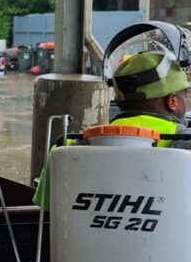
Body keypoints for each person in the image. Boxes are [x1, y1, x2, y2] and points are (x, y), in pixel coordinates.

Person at [35, 50, 190, 208]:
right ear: (172, 101)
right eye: (184, 96)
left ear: (118, 99)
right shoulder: (185, 145)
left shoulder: (65, 148)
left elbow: (45, 209)